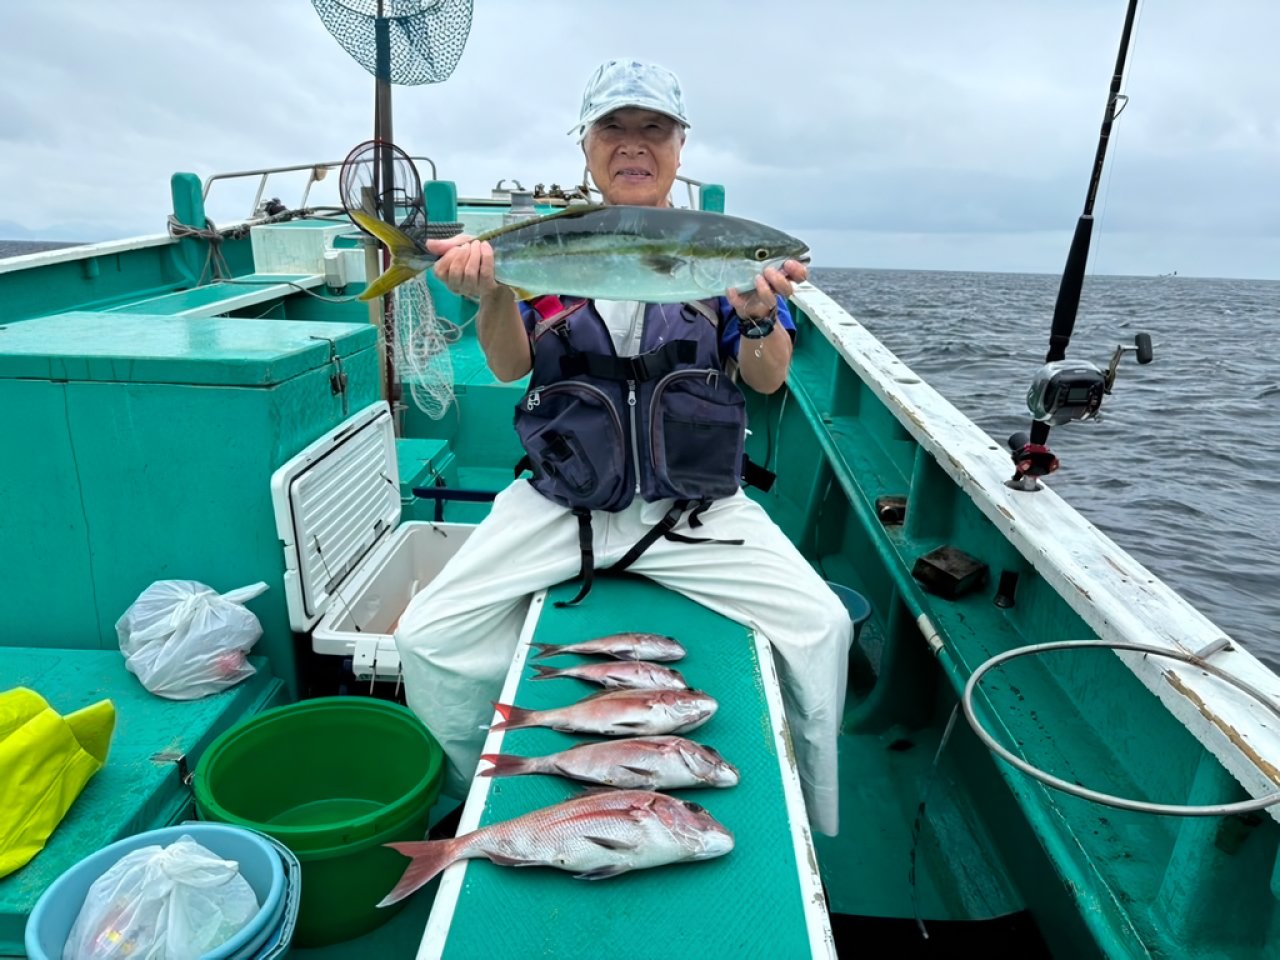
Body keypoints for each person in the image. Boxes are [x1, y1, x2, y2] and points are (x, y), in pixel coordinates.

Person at [394, 59, 851, 838]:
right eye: (614, 128)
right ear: (586, 143)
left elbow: (767, 383)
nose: (634, 146)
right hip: (563, 501)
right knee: (427, 636)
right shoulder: (544, 246)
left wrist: (759, 315)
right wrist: (492, 288)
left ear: (680, 147)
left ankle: (806, 821)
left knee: (822, 627)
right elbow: (508, 366)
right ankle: (478, 797)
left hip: (694, 510)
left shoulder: (721, 252)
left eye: (654, 130)